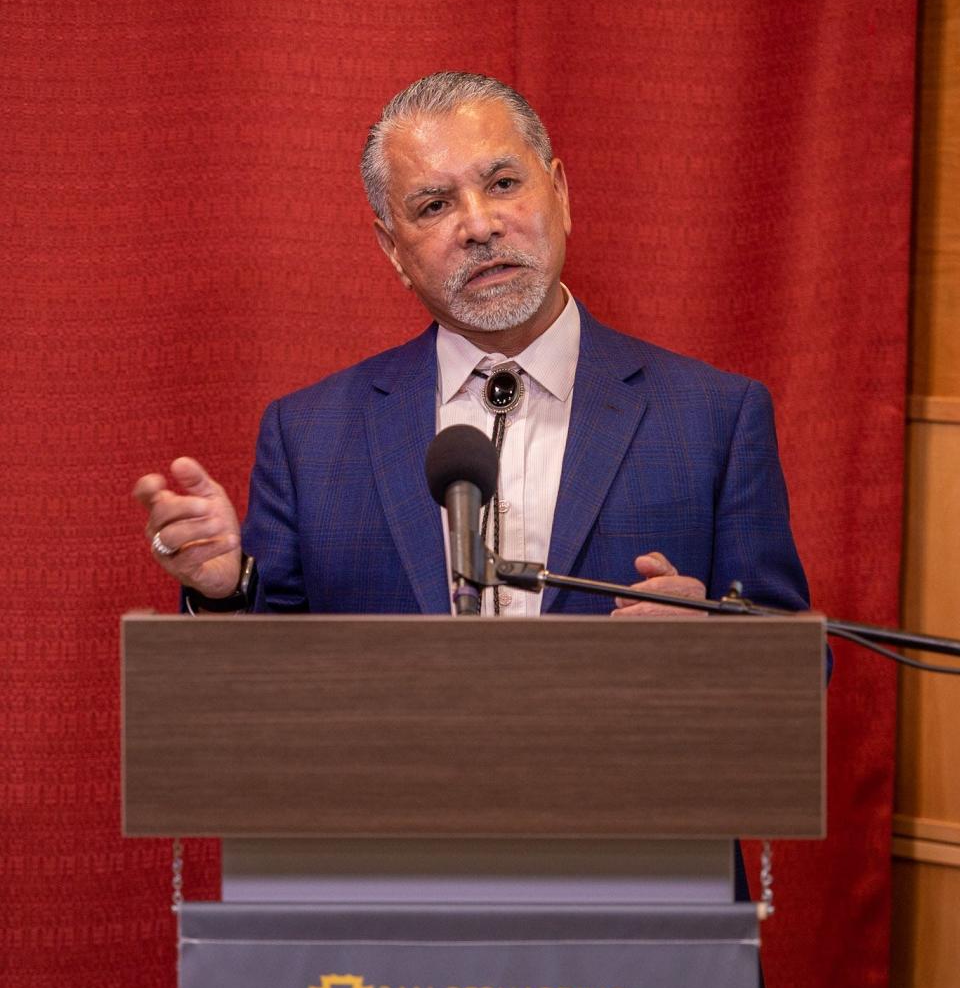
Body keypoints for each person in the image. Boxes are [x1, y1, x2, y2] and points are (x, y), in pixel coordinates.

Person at [133, 71, 810, 627]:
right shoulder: (308, 436)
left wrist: (718, 648)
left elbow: (801, 665)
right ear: (392, 249)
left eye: (504, 184)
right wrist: (222, 593)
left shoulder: (714, 418)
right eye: (433, 206)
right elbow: (261, 683)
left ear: (562, 193)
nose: (480, 226)